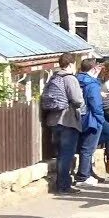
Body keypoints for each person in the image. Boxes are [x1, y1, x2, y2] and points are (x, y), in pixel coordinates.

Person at [42, 53, 85, 194]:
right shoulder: (70, 79)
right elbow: (78, 100)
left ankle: (61, 184)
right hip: (67, 120)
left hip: (53, 120)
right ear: (72, 64)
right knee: (66, 154)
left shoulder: (53, 77)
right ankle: (63, 186)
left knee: (60, 153)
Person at [75, 58, 109, 185]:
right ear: (94, 68)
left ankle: (85, 174)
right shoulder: (92, 84)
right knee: (88, 148)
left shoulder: (77, 80)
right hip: (92, 119)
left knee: (84, 147)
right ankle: (83, 175)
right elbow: (96, 104)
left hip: (78, 117)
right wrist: (100, 119)